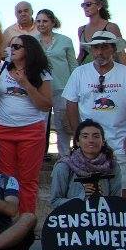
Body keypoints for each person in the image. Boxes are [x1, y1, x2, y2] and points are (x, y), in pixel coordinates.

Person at [63, 30, 126, 200]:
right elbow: (71, 103)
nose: (99, 52)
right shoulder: (80, 73)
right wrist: (78, 135)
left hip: (119, 140)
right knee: (88, 186)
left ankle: (120, 221)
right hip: (89, 141)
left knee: (122, 186)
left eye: (104, 47)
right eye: (96, 48)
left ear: (113, 49)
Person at [0, 34, 53, 214]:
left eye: (17, 47)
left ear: (28, 50)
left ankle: (26, 221)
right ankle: (7, 221)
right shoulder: (2, 68)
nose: (11, 50)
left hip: (31, 131)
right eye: (11, 46)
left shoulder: (41, 73)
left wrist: (25, 83)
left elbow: (46, 105)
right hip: (2, 129)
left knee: (28, 180)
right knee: (5, 178)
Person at [50, 119, 122, 207]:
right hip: (74, 218)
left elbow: (117, 202)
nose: (91, 140)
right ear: (77, 142)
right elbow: (55, 202)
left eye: (96, 136)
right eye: (85, 136)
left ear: (103, 142)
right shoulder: (64, 166)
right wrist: (80, 198)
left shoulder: (112, 166)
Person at [36, 8, 78, 158]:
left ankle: (65, 159)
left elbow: (73, 66)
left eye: (45, 21)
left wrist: (74, 88)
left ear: (53, 22)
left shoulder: (65, 40)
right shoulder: (32, 41)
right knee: (40, 126)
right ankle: (39, 157)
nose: (41, 24)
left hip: (63, 89)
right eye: (39, 21)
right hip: (41, 90)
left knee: (63, 126)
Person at [76, 0, 126, 65]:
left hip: (108, 70)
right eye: (83, 5)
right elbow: (81, 54)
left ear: (99, 6)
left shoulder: (111, 27)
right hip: (87, 71)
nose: (85, 7)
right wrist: (74, 72)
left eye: (88, 4)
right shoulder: (81, 29)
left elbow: (121, 54)